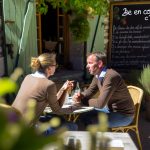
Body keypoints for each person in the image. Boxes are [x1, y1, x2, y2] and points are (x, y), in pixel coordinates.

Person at [12, 53, 77, 134]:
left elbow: (51, 101)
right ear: (49, 68)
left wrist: (63, 89)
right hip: (27, 131)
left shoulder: (28, 77)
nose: (56, 67)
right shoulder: (49, 84)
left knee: (58, 119)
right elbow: (57, 110)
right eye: (55, 65)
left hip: (13, 124)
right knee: (72, 126)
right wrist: (73, 109)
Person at [73, 51, 135, 128]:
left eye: (90, 63)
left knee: (92, 121)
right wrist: (81, 95)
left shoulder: (111, 76)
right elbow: (90, 91)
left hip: (123, 115)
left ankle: (99, 139)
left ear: (99, 64)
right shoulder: (98, 75)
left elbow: (100, 104)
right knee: (82, 115)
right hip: (109, 110)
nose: (87, 66)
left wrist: (81, 100)